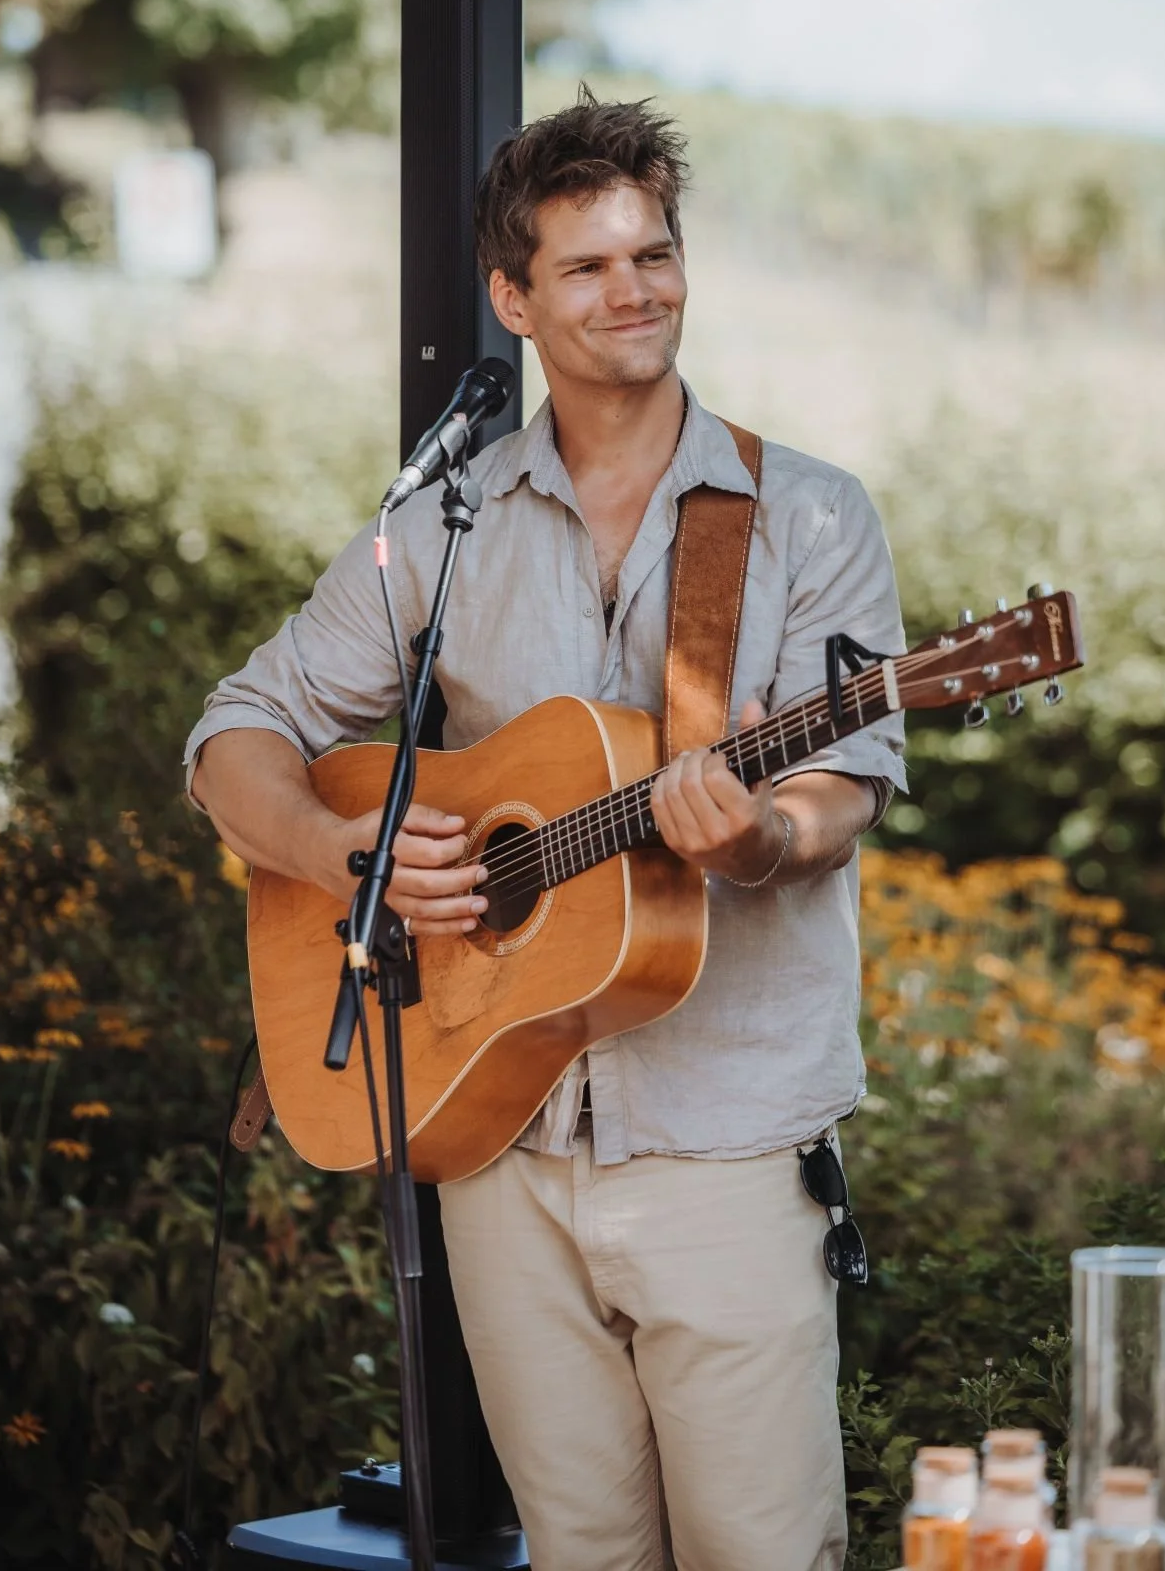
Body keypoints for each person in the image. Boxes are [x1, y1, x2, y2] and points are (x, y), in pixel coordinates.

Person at [185, 90, 905, 1571]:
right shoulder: (442, 525)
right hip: (495, 1135)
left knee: (762, 1555)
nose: (633, 291)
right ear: (510, 298)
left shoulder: (811, 519)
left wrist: (759, 838)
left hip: (723, 1135)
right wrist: (345, 855)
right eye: (585, 268)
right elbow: (237, 733)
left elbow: (842, 790)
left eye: (654, 254)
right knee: (577, 1552)